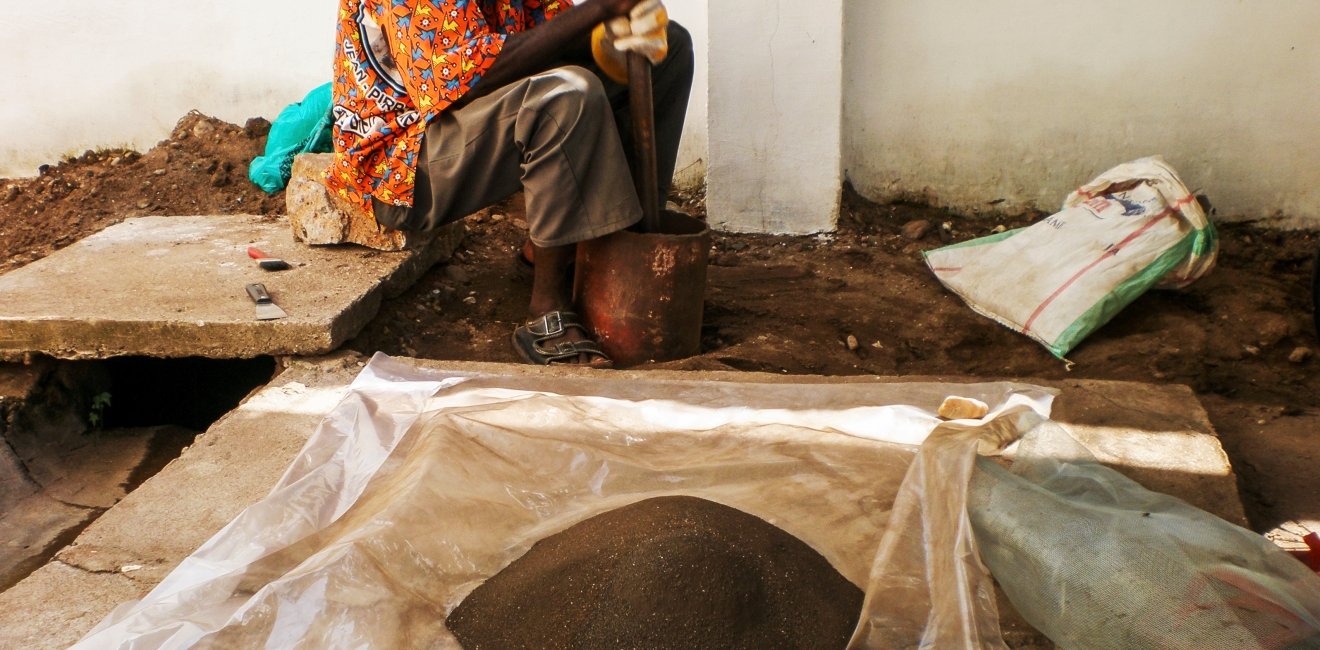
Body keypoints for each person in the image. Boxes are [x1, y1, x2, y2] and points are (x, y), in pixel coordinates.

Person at [325, 0, 693, 367]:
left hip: (460, 117)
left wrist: (610, 30)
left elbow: (549, 33)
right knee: (564, 97)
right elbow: (463, 80)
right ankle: (546, 307)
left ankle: (630, 248)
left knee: (667, 46)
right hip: (402, 163)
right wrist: (599, 9)